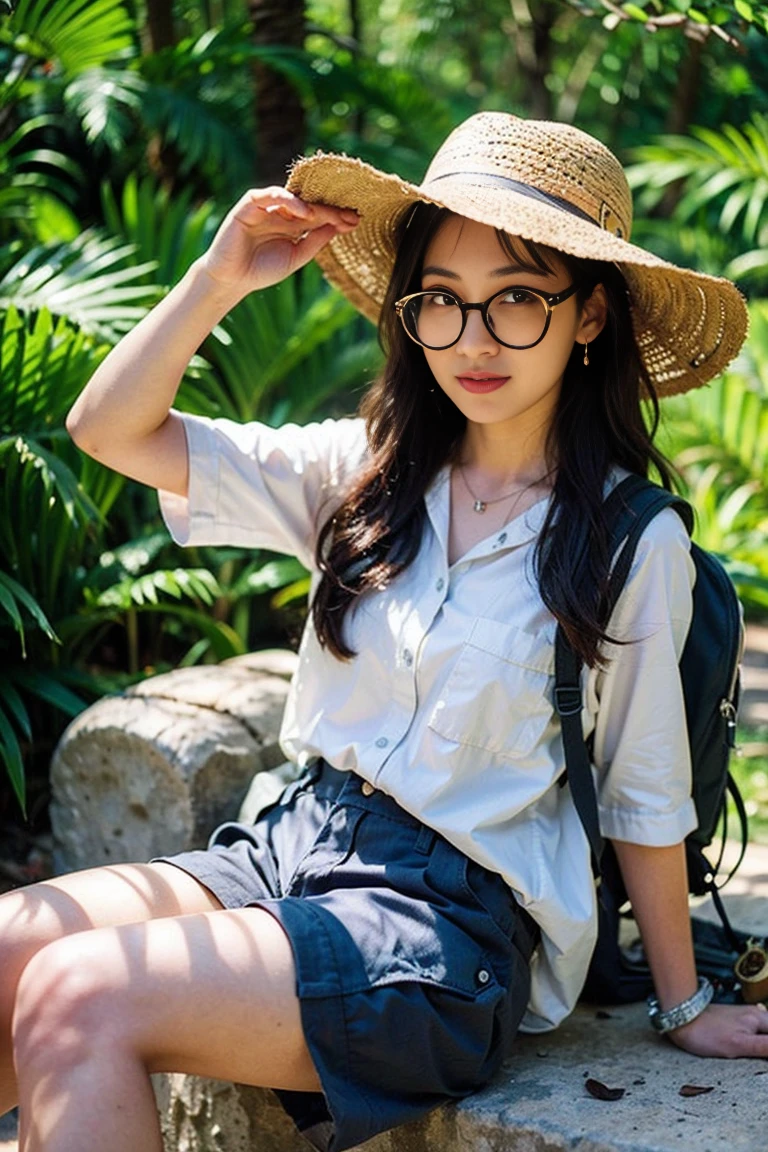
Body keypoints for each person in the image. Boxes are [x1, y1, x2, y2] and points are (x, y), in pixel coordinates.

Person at [2, 111, 767, 1152]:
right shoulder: (365, 473)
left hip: (442, 929)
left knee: (82, 991)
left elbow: (642, 789)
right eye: (442, 303)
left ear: (589, 315)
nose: (474, 340)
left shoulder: (630, 540)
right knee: (13, 951)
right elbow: (109, 430)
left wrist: (682, 1006)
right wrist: (219, 279)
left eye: (517, 301)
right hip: (286, 847)